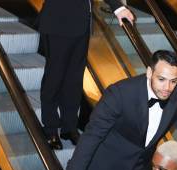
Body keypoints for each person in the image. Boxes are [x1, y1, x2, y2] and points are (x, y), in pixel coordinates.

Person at [37, 0, 134, 149]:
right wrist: (118, 8)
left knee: (74, 80)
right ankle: (50, 128)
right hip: (58, 23)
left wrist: (118, 8)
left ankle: (69, 127)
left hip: (81, 26)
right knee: (54, 78)